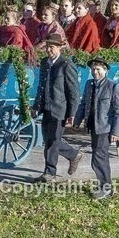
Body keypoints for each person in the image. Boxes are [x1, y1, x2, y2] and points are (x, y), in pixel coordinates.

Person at [32, 33, 83, 183]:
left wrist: (72, 114)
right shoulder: (44, 63)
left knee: (53, 141)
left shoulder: (66, 65)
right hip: (46, 108)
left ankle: (50, 173)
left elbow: (74, 91)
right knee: (49, 140)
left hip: (60, 109)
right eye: (47, 47)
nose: (49, 50)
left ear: (60, 48)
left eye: (52, 47)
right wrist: (36, 106)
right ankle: (74, 154)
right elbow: (40, 87)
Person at [73, 57, 119, 201]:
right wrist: (77, 121)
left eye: (98, 69)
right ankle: (104, 186)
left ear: (105, 71)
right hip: (93, 126)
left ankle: (106, 188)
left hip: (105, 129)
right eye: (93, 69)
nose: (95, 72)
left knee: (99, 158)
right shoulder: (89, 84)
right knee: (98, 156)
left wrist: (115, 132)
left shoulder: (113, 87)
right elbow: (84, 103)